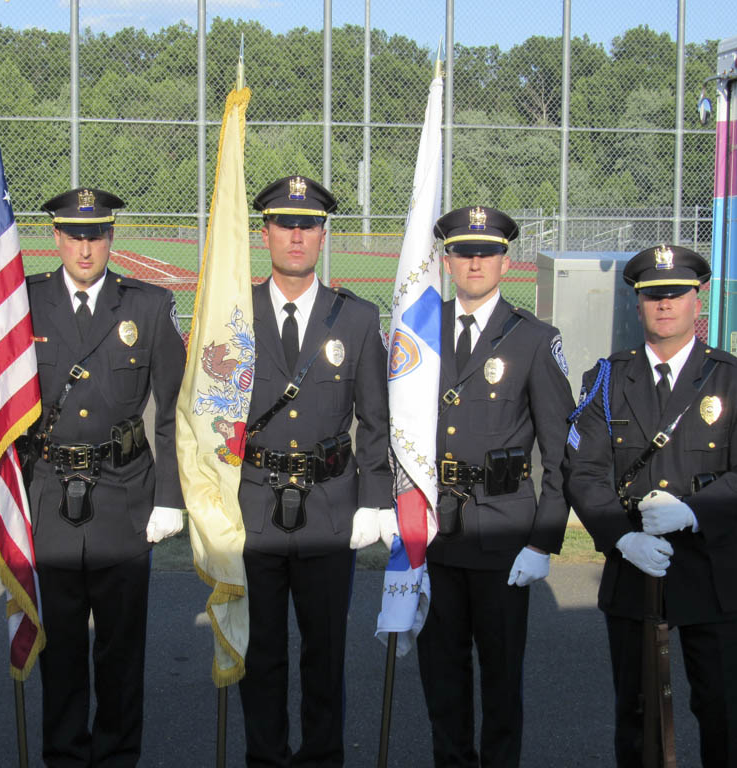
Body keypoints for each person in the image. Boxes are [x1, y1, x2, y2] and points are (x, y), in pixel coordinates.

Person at [563, 245, 737, 766]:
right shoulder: (607, 381)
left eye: (676, 294)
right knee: (637, 717)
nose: (664, 305)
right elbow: (583, 470)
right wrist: (621, 535)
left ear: (697, 300)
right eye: (652, 295)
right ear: (638, 304)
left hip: (713, 572)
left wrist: (694, 511)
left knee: (726, 710)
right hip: (635, 568)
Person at [24, 187, 186, 767]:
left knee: (121, 653)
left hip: (124, 494)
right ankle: (64, 757)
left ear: (111, 238)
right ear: (57, 238)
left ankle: (118, 758)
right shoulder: (25, 303)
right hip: (47, 494)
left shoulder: (147, 306)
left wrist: (170, 498)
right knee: (60, 649)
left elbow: (173, 410)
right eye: (74, 234)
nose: (85, 246)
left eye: (96, 235)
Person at [237, 175, 392, 766]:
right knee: (260, 654)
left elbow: (373, 419)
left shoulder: (354, 319)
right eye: (284, 224)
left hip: (331, 507)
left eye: (308, 225)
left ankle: (324, 759)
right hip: (252, 504)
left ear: (324, 235)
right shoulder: (236, 311)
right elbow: (209, 411)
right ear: (265, 233)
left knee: (324, 654)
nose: (296, 236)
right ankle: (265, 759)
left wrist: (374, 502)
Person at [415, 206, 574, 767]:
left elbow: (561, 452)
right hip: (434, 533)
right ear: (447, 260)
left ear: (506, 261)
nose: (474, 262)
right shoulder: (418, 335)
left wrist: (544, 541)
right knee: (442, 673)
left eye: (486, 252)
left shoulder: (533, 339)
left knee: (501, 678)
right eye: (463, 252)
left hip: (505, 534)